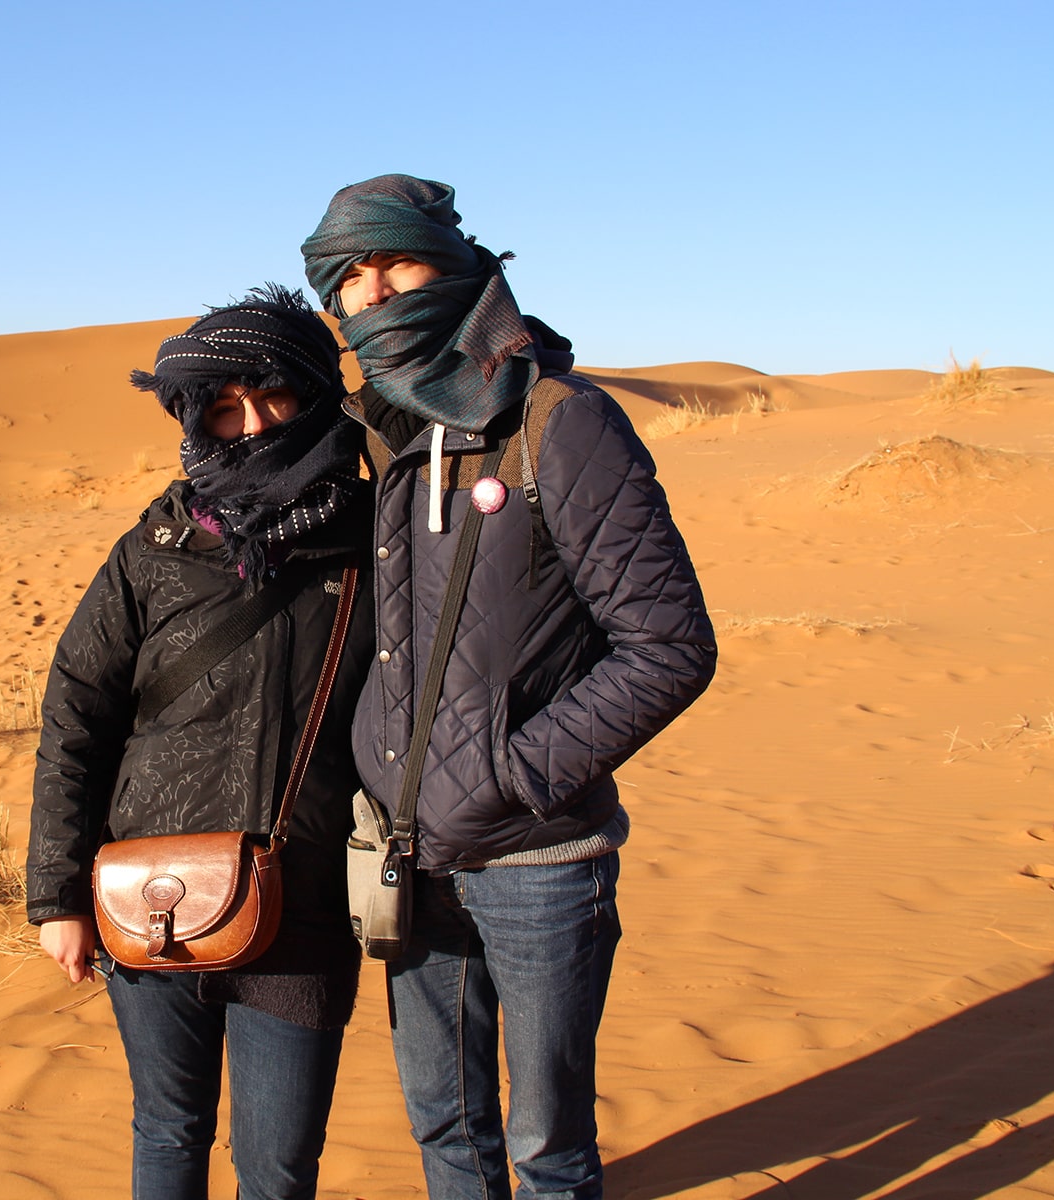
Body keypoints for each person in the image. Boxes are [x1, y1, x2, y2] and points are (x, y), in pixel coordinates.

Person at [300, 175, 717, 1199]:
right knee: (446, 1127)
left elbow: (668, 645)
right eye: (350, 278)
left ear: (457, 266)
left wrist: (515, 774)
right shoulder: (377, 436)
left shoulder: (559, 424)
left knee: (545, 1149)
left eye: (398, 261)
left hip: (539, 861)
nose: (377, 292)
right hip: (407, 862)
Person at [27, 284, 374, 1200]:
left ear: (315, 395)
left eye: (275, 398)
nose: (252, 424)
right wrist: (57, 896)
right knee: (169, 1132)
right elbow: (76, 716)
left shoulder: (369, 544)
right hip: (152, 890)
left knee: (279, 1162)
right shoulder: (153, 549)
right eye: (225, 407)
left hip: (301, 902)